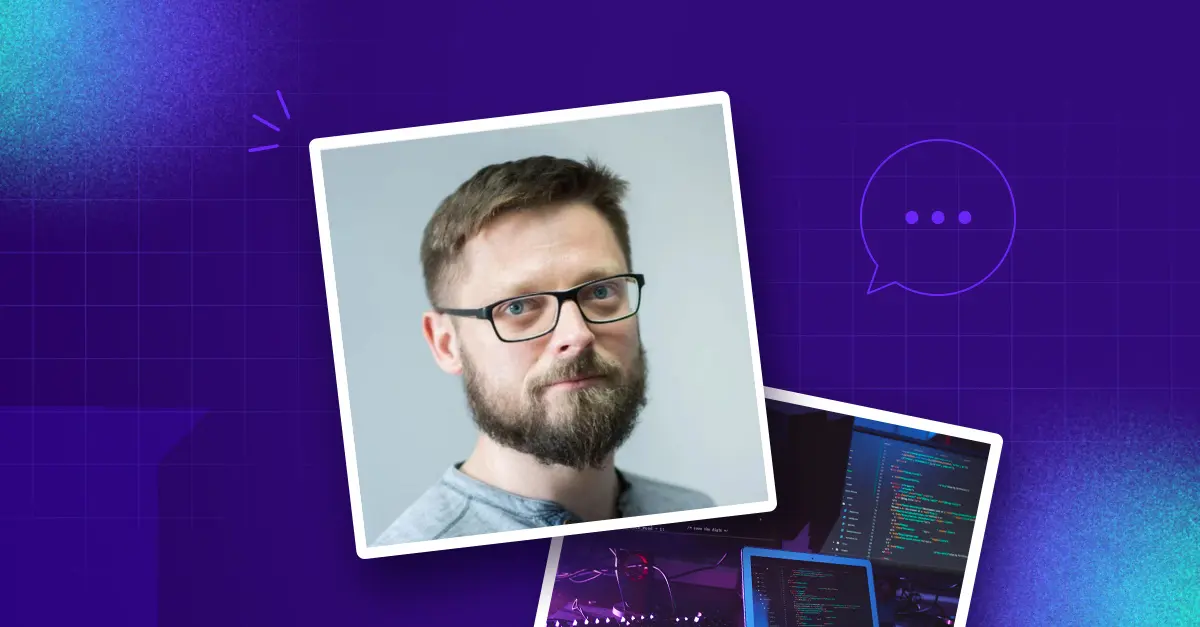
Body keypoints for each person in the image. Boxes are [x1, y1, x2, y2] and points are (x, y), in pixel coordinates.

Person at [373, 155, 715, 545]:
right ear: (445, 343)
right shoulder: (415, 572)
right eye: (518, 307)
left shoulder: (697, 518)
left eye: (601, 292)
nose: (577, 334)